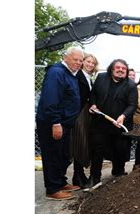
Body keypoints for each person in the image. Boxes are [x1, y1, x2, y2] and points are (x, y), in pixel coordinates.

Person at [36, 46, 84, 200]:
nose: (78, 63)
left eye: (80, 60)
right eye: (75, 59)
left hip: (65, 123)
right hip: (54, 123)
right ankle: (52, 189)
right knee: (52, 155)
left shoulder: (71, 74)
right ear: (66, 58)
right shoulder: (57, 72)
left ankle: (60, 182)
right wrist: (55, 122)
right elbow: (51, 99)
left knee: (63, 154)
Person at [88, 59, 137, 188]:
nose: (120, 70)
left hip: (119, 123)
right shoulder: (101, 77)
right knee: (97, 150)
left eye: (124, 68)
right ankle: (94, 177)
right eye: (118, 67)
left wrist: (123, 116)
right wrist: (93, 104)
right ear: (111, 69)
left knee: (119, 149)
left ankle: (118, 172)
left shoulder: (131, 85)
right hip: (100, 122)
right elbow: (93, 94)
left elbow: (132, 105)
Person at [70, 53, 99, 188]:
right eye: (88, 61)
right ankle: (78, 175)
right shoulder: (77, 76)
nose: (90, 64)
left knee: (83, 143)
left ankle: (79, 174)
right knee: (79, 143)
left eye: (93, 63)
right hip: (79, 113)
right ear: (83, 62)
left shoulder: (89, 78)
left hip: (86, 113)